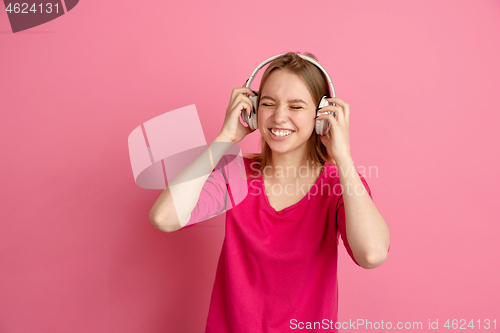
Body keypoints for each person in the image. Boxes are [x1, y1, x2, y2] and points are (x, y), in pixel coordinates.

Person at [149, 52, 390, 333]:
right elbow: (164, 217)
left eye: (296, 106)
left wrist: (343, 157)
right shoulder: (236, 174)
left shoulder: (340, 185)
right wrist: (225, 138)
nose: (279, 117)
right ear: (252, 108)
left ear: (322, 116)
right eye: (268, 103)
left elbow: (372, 255)